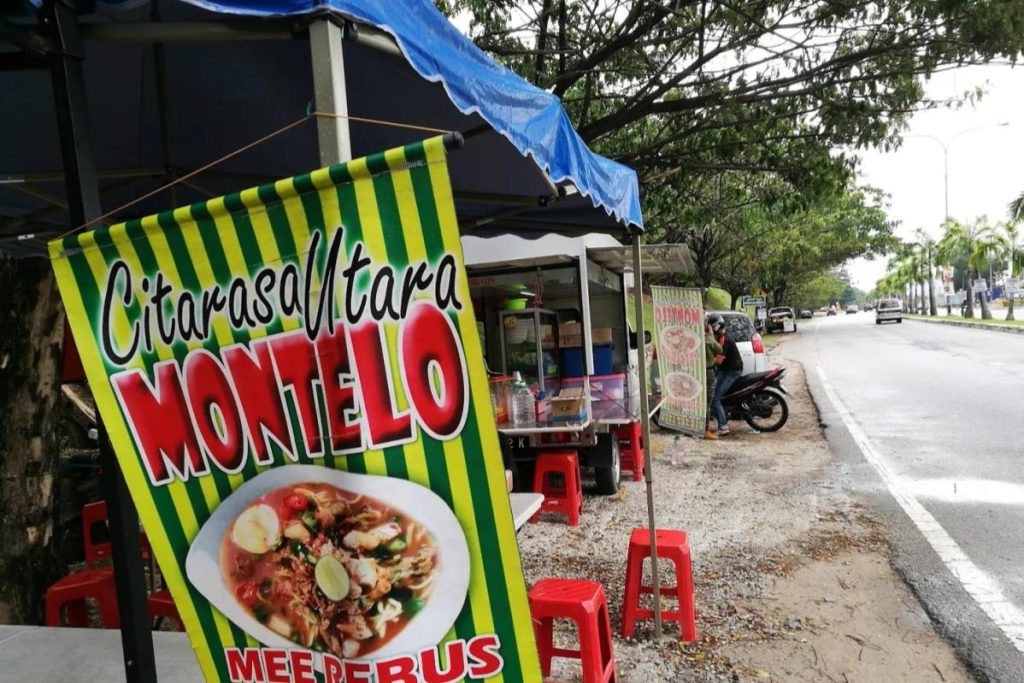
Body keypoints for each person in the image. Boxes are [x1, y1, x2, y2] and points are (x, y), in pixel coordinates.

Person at [709, 313, 743, 436]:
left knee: (715, 398)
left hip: (732, 371)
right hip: (725, 370)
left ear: (715, 327)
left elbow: (718, 360)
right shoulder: (721, 338)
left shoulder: (725, 340)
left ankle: (723, 426)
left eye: (709, 327)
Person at [703, 319, 723, 440]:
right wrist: (711, 335)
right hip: (708, 372)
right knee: (707, 402)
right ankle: (705, 430)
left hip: (695, 372)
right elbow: (720, 349)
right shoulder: (708, 339)